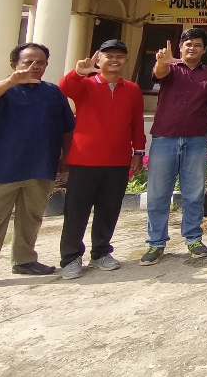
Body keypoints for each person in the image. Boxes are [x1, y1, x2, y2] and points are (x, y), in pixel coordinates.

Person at [0, 43, 75, 296]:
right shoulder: (0, 90)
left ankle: (24, 261)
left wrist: (66, 160)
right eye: (28, 62)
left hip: (39, 166)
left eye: (41, 63)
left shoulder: (53, 93)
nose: (35, 67)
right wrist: (11, 81)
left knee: (31, 218)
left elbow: (67, 128)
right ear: (15, 64)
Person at [57, 40, 145, 280]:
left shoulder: (133, 89)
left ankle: (101, 252)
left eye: (120, 56)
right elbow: (64, 90)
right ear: (99, 59)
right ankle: (71, 258)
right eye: (109, 56)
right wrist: (77, 72)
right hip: (85, 160)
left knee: (109, 210)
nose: (115, 60)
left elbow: (136, 122)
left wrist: (138, 151)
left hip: (117, 160)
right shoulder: (85, 84)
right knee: (76, 212)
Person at [142, 28, 207, 265]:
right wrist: (161, 61)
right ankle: (156, 242)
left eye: (197, 45)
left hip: (197, 141)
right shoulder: (169, 68)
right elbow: (158, 74)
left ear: (204, 50)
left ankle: (193, 238)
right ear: (180, 47)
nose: (192, 48)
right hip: (164, 139)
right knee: (158, 194)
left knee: (194, 193)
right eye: (188, 44)